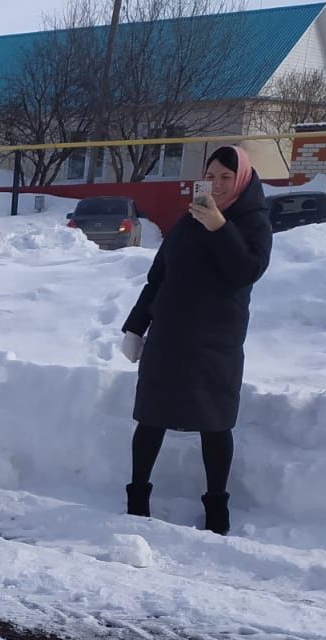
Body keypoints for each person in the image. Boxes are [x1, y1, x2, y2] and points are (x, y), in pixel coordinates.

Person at [120, 145, 273, 535]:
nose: (218, 184)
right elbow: (158, 277)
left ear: (240, 179)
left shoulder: (254, 222)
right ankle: (137, 500)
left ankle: (217, 510)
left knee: (215, 424)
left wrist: (220, 228)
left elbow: (246, 271)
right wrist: (136, 325)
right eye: (213, 175)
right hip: (168, 336)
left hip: (214, 343)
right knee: (151, 417)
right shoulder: (189, 220)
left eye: (226, 177)